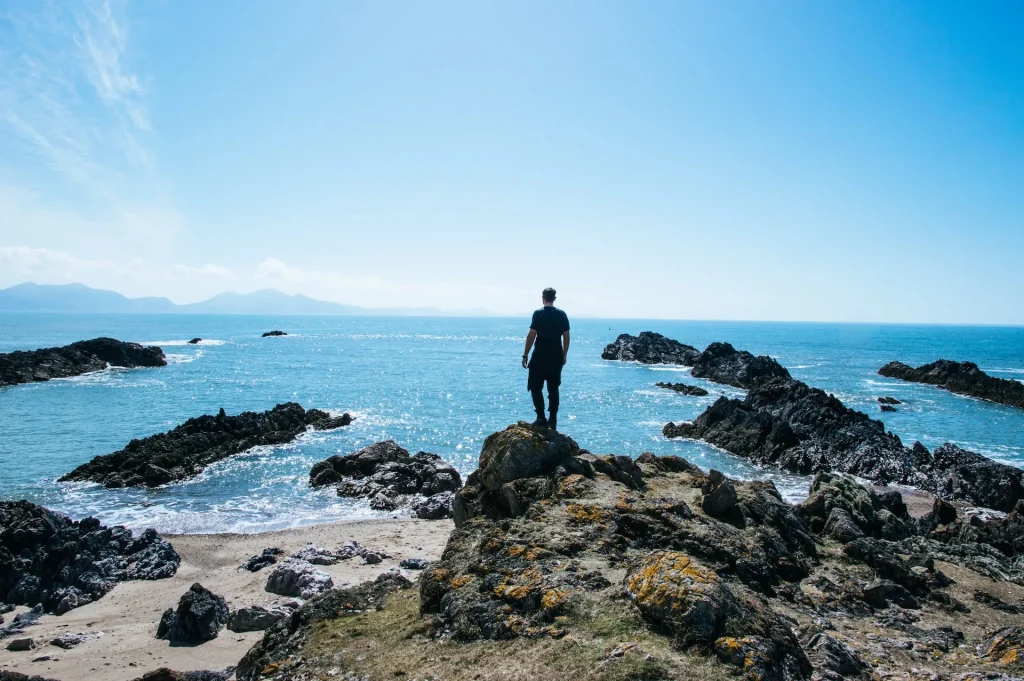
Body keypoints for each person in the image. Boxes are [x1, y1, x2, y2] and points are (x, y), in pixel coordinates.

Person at [522, 287, 570, 430]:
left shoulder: (538, 314)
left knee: (535, 386)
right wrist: (564, 355)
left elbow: (531, 335)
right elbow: (566, 337)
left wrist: (525, 354)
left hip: (540, 356)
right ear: (554, 298)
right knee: (553, 388)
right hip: (556, 356)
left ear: (543, 298)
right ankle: (553, 419)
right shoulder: (562, 315)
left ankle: (541, 417)